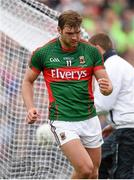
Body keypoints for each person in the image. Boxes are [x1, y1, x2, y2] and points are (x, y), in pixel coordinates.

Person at [22, 10, 113, 179]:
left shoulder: (91, 52)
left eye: (78, 32)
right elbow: (28, 81)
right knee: (85, 168)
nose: (75, 37)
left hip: (89, 118)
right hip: (62, 120)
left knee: (93, 173)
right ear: (59, 30)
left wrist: (106, 87)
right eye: (70, 33)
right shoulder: (44, 53)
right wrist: (30, 107)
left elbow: (106, 86)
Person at [89, 33, 134, 179]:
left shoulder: (109, 67)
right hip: (124, 127)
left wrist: (75, 114)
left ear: (97, 49)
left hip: (127, 130)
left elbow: (103, 104)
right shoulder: (120, 64)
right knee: (97, 161)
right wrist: (113, 124)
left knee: (123, 174)